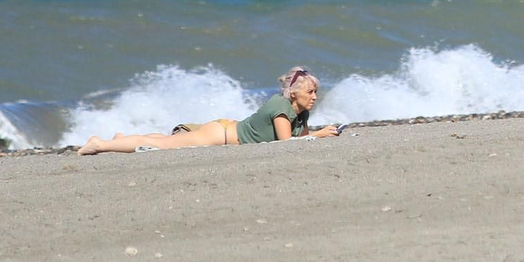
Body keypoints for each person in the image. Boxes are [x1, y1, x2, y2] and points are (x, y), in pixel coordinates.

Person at [78, 67, 340, 154]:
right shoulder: (281, 106)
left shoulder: (299, 112)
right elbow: (287, 144)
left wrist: (318, 133)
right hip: (220, 135)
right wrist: (319, 135)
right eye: (311, 92)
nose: (315, 97)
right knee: (160, 147)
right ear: (294, 94)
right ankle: (98, 144)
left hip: (226, 129)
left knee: (166, 141)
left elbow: (300, 138)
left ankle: (121, 141)